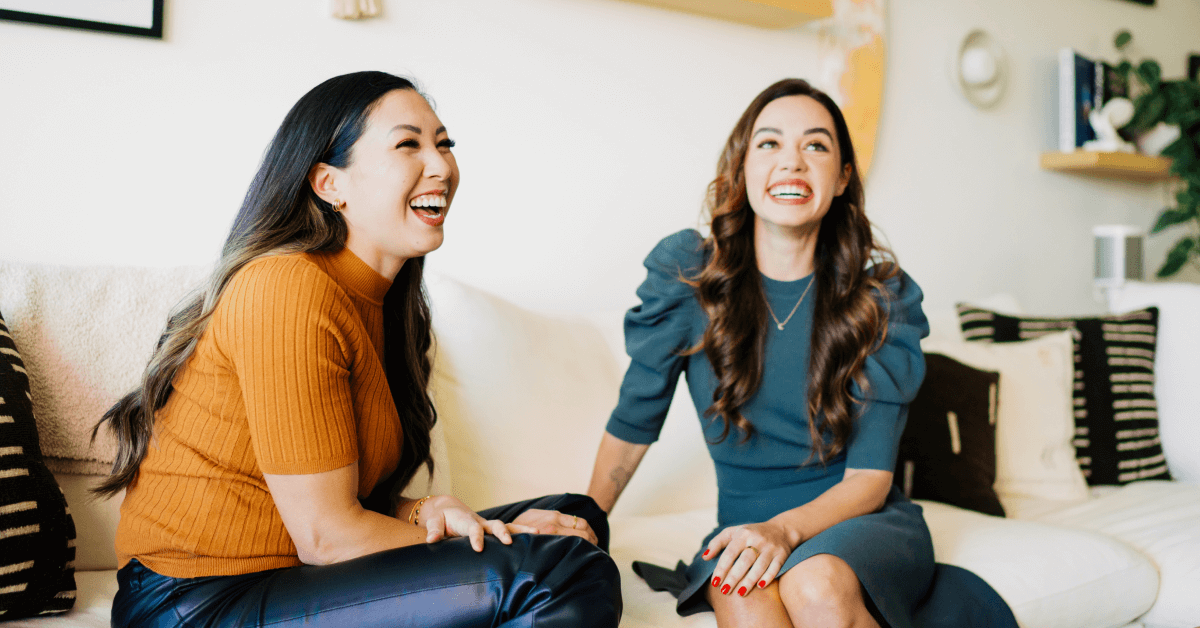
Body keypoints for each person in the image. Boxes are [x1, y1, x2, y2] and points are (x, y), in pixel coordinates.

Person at [96, 71, 621, 628]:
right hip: (196, 604)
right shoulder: (286, 287)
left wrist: (423, 510)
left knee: (575, 519)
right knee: (561, 569)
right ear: (329, 184)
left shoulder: (383, 306)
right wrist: (502, 541)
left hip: (291, 576)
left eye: (444, 143)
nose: (441, 166)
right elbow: (325, 535)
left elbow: (337, 507)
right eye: (408, 144)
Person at [587, 79, 1016, 628]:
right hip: (744, 527)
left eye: (815, 145)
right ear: (742, 169)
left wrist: (786, 531)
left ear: (841, 179)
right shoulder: (688, 280)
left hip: (862, 520)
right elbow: (633, 422)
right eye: (769, 144)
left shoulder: (879, 302)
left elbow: (869, 479)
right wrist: (587, 523)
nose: (792, 161)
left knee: (814, 583)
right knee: (739, 590)